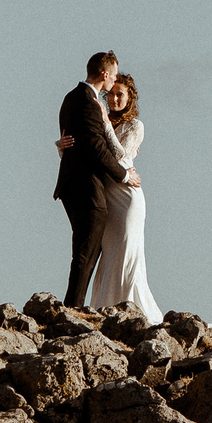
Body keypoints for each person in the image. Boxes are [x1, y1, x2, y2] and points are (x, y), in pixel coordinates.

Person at [52, 51, 135, 308]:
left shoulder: (71, 97)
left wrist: (62, 146)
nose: (113, 84)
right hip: (86, 186)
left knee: (89, 248)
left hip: (73, 184)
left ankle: (74, 305)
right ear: (105, 74)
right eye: (113, 77)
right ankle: (72, 308)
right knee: (86, 250)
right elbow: (95, 147)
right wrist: (124, 175)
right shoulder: (88, 101)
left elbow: (72, 137)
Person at [85, 72, 160, 322]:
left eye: (120, 95)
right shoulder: (100, 124)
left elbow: (118, 159)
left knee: (128, 252)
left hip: (127, 199)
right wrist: (62, 148)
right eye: (111, 94)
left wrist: (106, 124)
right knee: (111, 256)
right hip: (107, 200)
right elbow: (93, 157)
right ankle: (106, 312)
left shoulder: (135, 126)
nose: (115, 99)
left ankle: (134, 314)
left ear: (130, 98)